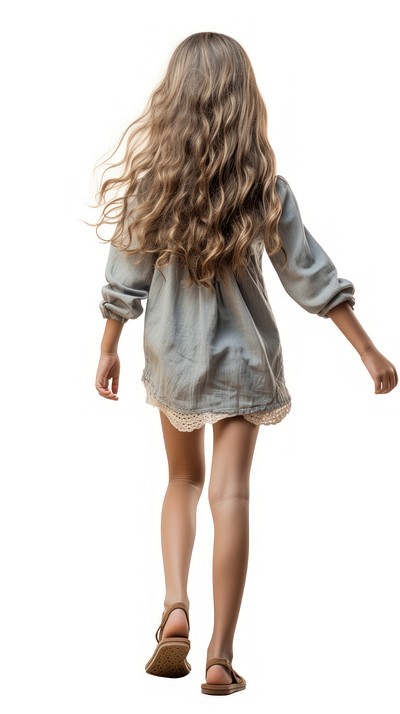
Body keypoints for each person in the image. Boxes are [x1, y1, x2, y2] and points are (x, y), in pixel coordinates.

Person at [93, 32, 398, 696]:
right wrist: (368, 349)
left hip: (172, 361)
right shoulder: (264, 190)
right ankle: (220, 657)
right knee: (231, 495)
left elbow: (126, 275)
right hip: (244, 367)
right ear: (243, 101)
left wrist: (109, 345)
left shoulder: (156, 187)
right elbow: (309, 275)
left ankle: (175, 606)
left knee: (182, 484)